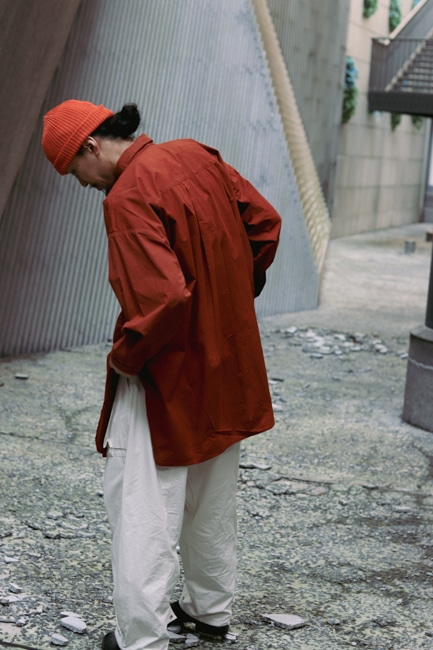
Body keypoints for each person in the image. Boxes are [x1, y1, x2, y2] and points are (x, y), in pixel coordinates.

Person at [41, 99, 282, 650]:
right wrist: (226, 299)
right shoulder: (196, 155)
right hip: (225, 363)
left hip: (167, 373)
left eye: (74, 170)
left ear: (91, 146)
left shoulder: (127, 197)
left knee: (141, 505)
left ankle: (141, 638)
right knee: (212, 495)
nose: (82, 184)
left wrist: (124, 358)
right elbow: (265, 225)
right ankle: (208, 612)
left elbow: (163, 301)